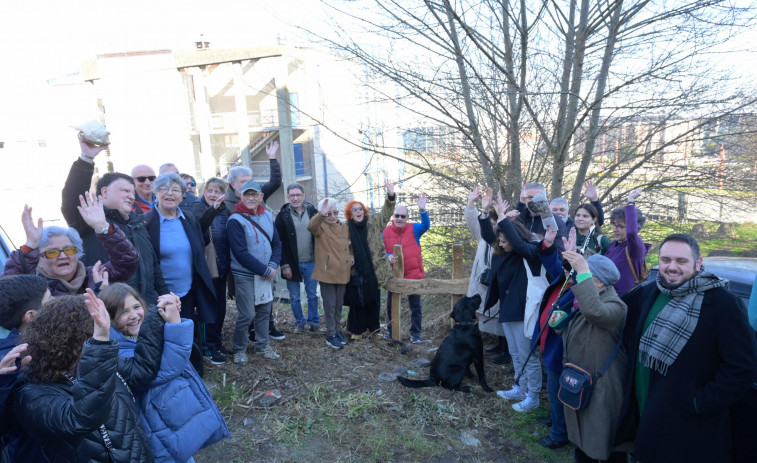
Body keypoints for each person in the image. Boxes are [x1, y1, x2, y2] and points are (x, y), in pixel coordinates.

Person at [616, 233, 757, 463]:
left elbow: (742, 369)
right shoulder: (649, 293)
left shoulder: (723, 304)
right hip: (646, 419)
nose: (672, 267)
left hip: (690, 430)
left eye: (681, 261)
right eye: (666, 260)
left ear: (698, 263)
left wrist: (697, 404)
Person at [11, 291, 163, 461]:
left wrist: (155, 317)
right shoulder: (29, 393)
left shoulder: (94, 362)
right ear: (75, 338)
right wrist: (99, 345)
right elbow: (80, 418)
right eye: (93, 329)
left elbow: (140, 370)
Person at [99, 283, 230, 462]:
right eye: (123, 312)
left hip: (170, 421)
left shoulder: (146, 330)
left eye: (136, 307)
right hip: (154, 428)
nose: (134, 315)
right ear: (110, 319)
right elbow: (167, 370)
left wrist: (168, 311)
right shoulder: (117, 349)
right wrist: (175, 325)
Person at [61, 133, 169, 304]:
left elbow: (153, 268)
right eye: (125, 191)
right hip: (110, 312)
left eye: (132, 192)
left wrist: (165, 296)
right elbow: (72, 198)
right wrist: (86, 158)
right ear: (104, 192)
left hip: (146, 309)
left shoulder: (139, 223)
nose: (131, 196)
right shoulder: (91, 221)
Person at [549, 252, 627, 462]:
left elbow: (595, 313)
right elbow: (584, 335)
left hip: (601, 388)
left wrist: (583, 270)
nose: (575, 279)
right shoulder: (589, 301)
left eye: (583, 276)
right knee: (582, 443)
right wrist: (563, 325)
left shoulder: (616, 306)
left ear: (599, 282)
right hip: (582, 383)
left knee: (604, 443)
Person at [143, 173, 217, 375]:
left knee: (186, 333)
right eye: (164, 189)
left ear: (183, 196)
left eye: (175, 190)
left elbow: (199, 249)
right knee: (163, 336)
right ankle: (166, 374)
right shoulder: (146, 222)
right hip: (160, 294)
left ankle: (191, 372)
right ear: (156, 193)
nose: (169, 193)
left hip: (188, 291)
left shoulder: (189, 219)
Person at [479, 195, 544, 413]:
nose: (501, 244)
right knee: (516, 354)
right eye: (500, 241)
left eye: (505, 241)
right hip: (508, 310)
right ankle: (520, 386)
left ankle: (533, 396)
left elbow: (517, 243)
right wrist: (488, 212)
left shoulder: (528, 252)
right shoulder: (503, 252)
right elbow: (490, 235)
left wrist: (504, 218)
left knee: (528, 357)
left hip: (523, 311)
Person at [3, 202, 139, 296]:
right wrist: (31, 244)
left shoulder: (95, 276)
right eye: (52, 252)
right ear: (37, 258)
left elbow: (127, 261)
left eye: (69, 250)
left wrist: (103, 227)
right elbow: (8, 291)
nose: (63, 256)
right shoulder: (34, 288)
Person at [223, 141, 285, 341]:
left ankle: (266, 329)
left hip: (265, 262)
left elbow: (275, 181)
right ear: (233, 185)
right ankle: (247, 334)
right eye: (243, 182)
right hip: (242, 265)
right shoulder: (225, 205)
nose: (248, 190)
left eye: (250, 181)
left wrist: (273, 158)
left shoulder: (258, 199)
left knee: (266, 300)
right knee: (247, 306)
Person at [227, 180, 283, 363]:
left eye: (254, 194)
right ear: (241, 196)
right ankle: (239, 349)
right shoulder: (235, 220)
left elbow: (276, 243)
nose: (251, 198)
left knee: (265, 311)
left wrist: (273, 266)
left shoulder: (267, 215)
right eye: (247, 194)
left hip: (266, 273)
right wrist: (264, 270)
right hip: (245, 275)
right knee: (247, 314)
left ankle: (262, 345)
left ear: (261, 197)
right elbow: (240, 253)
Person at [343, 179, 396, 340]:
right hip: (356, 271)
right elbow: (342, 248)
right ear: (350, 214)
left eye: (360, 209)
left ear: (364, 211)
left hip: (374, 270)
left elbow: (386, 213)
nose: (358, 212)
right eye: (354, 210)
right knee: (357, 302)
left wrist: (391, 195)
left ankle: (373, 331)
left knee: (374, 301)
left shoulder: (373, 222)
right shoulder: (345, 228)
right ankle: (356, 331)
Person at [190, 178, 231, 364]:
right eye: (210, 190)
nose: (213, 194)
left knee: (221, 308)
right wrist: (212, 209)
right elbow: (198, 227)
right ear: (203, 191)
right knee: (209, 308)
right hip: (207, 266)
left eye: (217, 191)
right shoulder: (197, 207)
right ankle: (208, 347)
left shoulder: (225, 210)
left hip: (222, 265)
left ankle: (216, 341)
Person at [465, 187, 509, 363]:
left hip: (498, 281)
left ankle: (506, 350)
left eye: (494, 223)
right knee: (488, 311)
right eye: (489, 223)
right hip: (482, 281)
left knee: (501, 313)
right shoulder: (483, 236)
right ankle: (499, 345)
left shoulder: (505, 238)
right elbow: (473, 222)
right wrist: (471, 203)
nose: (491, 226)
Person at [275, 182, 324, 333]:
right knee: (295, 296)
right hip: (292, 263)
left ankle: (314, 323)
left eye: (298, 195)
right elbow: (278, 242)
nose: (295, 198)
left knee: (312, 295)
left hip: (311, 261)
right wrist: (284, 265)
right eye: (292, 195)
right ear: (287, 197)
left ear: (303, 196)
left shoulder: (313, 211)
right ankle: (300, 323)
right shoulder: (282, 216)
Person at [383, 193, 430, 343]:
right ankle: (392, 332)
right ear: (393, 216)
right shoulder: (386, 232)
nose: (400, 219)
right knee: (391, 305)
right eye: (397, 215)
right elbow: (379, 250)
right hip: (394, 275)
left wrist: (422, 209)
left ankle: (415, 333)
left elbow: (426, 225)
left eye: (403, 216)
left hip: (413, 274)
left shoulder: (414, 228)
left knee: (415, 307)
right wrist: (387, 256)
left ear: (407, 218)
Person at [308, 198, 352, 350]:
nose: (332, 216)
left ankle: (338, 331)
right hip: (327, 272)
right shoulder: (320, 227)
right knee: (330, 305)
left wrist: (351, 260)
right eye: (329, 214)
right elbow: (311, 226)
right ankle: (330, 335)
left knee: (339, 305)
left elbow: (349, 248)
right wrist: (321, 214)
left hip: (342, 272)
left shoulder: (344, 227)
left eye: (335, 212)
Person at [603, 188, 650, 296]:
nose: (615, 229)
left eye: (620, 226)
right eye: (614, 224)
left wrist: (630, 200)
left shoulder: (635, 247)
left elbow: (632, 232)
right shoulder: (613, 245)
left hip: (624, 300)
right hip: (606, 298)